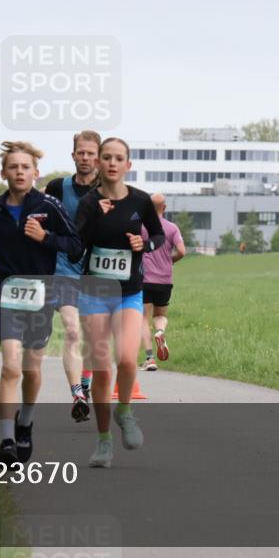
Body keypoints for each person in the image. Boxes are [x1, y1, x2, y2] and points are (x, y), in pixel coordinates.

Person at [0, 141, 82, 467]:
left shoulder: (48, 205)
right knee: (10, 366)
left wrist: (45, 238)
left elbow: (75, 246)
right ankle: (6, 441)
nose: (19, 172)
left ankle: (25, 422)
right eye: (13, 167)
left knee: (32, 369)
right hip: (6, 292)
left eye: (25, 167)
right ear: (3, 172)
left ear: (35, 173)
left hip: (41, 293)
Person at [75, 137, 165, 468]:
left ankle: (124, 411)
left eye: (119, 158)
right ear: (98, 163)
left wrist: (145, 244)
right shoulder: (88, 203)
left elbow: (157, 237)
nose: (112, 163)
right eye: (106, 158)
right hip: (94, 292)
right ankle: (103, 442)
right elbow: (75, 244)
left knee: (127, 360)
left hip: (129, 291)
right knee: (101, 369)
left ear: (128, 165)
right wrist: (93, 219)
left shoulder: (141, 200)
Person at [45, 129, 101, 421]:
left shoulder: (109, 190)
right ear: (73, 155)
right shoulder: (57, 187)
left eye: (91, 153)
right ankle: (77, 393)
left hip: (95, 270)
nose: (86, 157)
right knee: (72, 329)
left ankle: (87, 384)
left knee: (93, 334)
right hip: (63, 268)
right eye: (81, 152)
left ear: (99, 157)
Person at [139, 194, 185, 371]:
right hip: (165, 280)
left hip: (144, 279)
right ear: (164, 208)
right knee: (161, 315)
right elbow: (182, 251)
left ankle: (150, 358)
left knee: (144, 318)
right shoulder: (172, 228)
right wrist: (170, 260)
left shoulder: (140, 227)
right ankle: (160, 332)